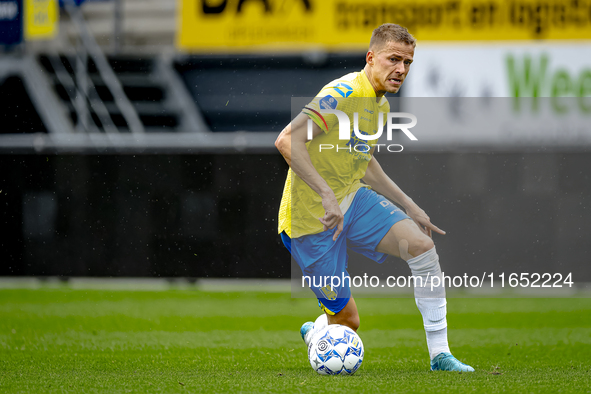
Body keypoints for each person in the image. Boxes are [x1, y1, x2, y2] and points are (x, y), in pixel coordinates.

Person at [274, 23, 474, 372]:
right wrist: (325, 194)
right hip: (310, 219)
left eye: (408, 62)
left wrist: (409, 205)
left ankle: (440, 355)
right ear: (371, 57)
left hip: (352, 199)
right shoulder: (343, 92)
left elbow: (363, 162)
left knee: (422, 248)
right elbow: (287, 141)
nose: (401, 69)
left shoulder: (380, 107)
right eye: (393, 59)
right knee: (348, 322)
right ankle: (318, 330)